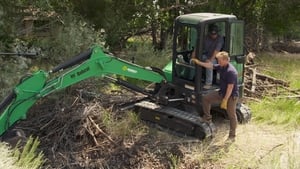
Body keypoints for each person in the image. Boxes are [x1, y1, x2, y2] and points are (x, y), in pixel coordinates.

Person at [191, 51, 238, 140]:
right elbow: (210, 66)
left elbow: (230, 87)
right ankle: (207, 118)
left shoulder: (231, 71)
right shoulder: (222, 67)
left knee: (231, 115)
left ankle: (232, 136)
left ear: (225, 60)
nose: (218, 62)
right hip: (222, 92)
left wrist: (225, 100)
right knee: (206, 98)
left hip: (230, 96)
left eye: (219, 60)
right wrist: (198, 62)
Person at [202, 24, 224, 89]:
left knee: (209, 65)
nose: (213, 35)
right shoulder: (206, 38)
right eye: (212, 34)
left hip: (215, 58)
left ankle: (208, 83)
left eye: (215, 34)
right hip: (205, 55)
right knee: (195, 59)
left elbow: (216, 51)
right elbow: (199, 45)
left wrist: (210, 60)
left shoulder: (220, 39)